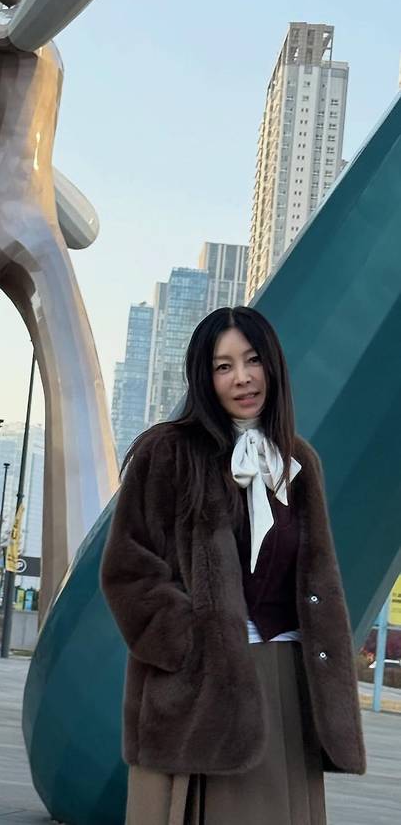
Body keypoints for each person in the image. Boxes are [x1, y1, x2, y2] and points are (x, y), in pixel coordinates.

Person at [101, 307, 365, 825]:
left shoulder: (299, 463)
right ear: (205, 378)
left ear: (273, 366)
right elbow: (128, 571)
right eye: (223, 366)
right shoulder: (168, 452)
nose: (242, 377)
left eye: (252, 360)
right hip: (200, 690)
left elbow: (318, 580)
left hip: (287, 689)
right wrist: (193, 646)